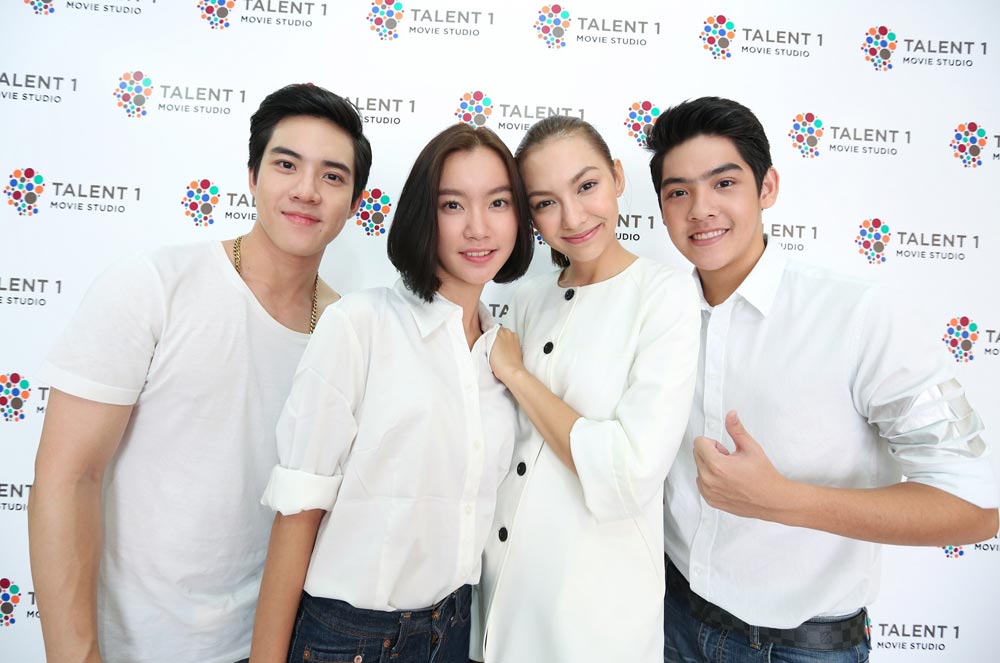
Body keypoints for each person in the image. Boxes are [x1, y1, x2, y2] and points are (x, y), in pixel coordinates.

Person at [647, 96, 999, 663]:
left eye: (724, 183)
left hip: (803, 647)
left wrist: (782, 501)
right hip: (672, 622)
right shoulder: (661, 314)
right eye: (678, 192)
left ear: (767, 188)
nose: (701, 209)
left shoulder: (858, 314)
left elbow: (974, 507)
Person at [27, 83, 371, 663]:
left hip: (273, 644)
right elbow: (67, 477)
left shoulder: (348, 330)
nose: (307, 190)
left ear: (355, 202)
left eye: (332, 176)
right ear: (252, 177)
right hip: (131, 647)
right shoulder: (154, 286)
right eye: (286, 164)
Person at [248, 122, 535, 663]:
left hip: (456, 627)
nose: (478, 227)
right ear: (423, 215)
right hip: (354, 637)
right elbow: (298, 510)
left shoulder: (502, 350)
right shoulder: (360, 324)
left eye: (498, 202)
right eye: (453, 205)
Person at [473, 116, 701, 662]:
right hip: (496, 596)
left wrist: (519, 376)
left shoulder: (664, 296)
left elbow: (629, 472)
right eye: (545, 203)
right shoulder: (526, 299)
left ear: (618, 177)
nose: (572, 218)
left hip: (593, 616)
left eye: (587, 186)